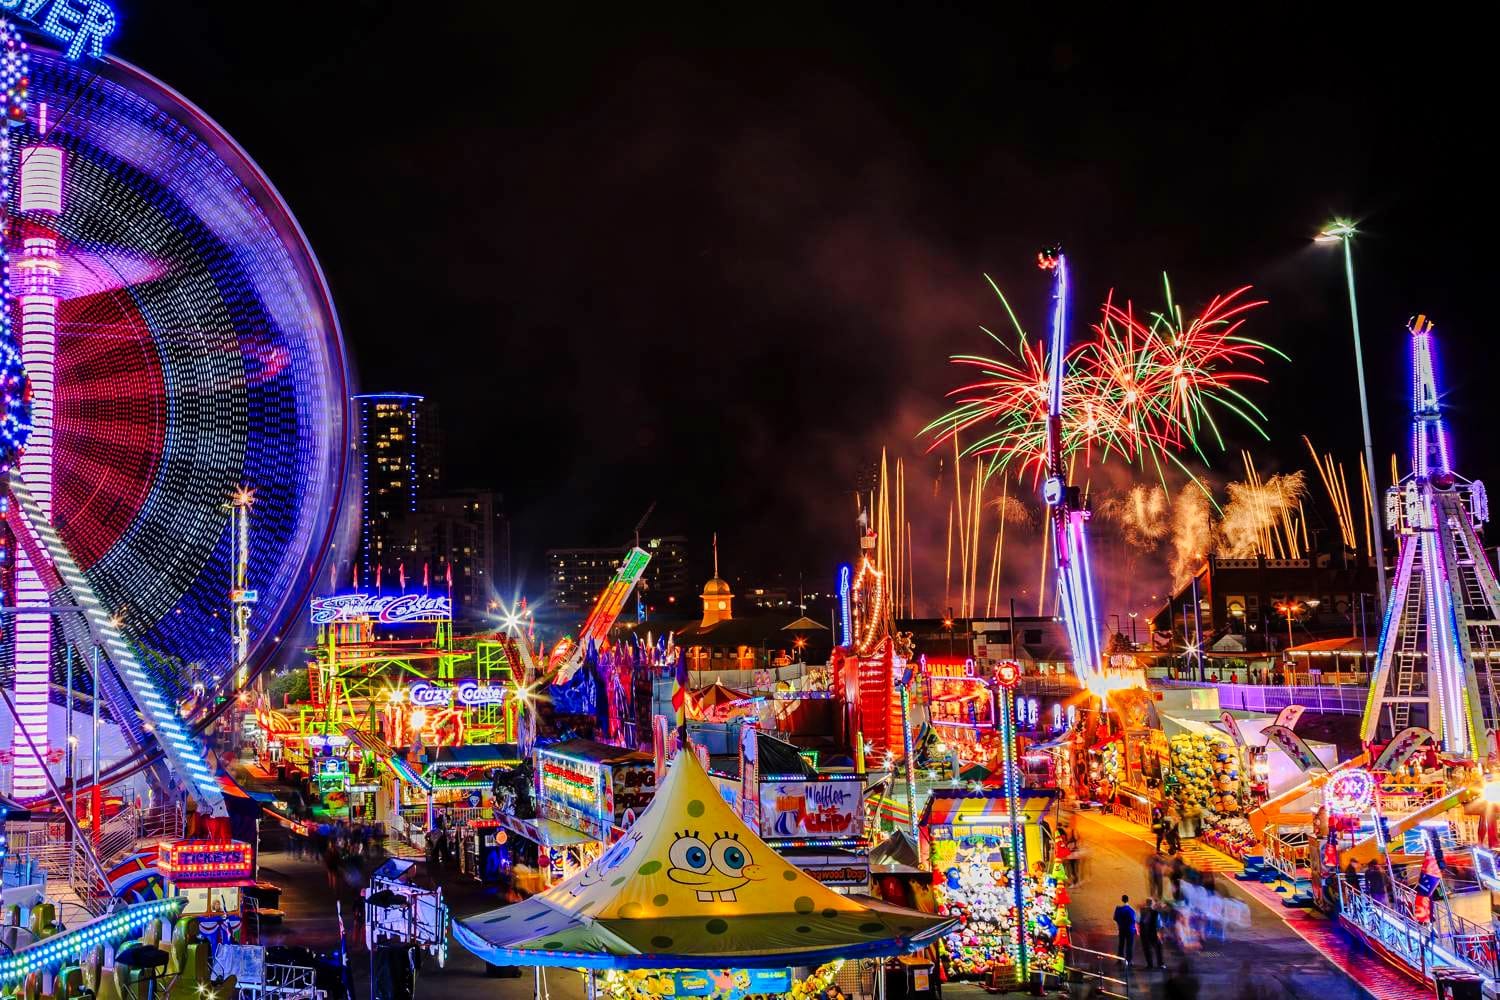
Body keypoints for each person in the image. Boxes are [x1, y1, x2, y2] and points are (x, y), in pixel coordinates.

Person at [1113, 894, 1137, 967]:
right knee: (1129, 945)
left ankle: (1119, 960)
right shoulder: (1131, 910)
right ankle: (1129, 961)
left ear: (1122, 899)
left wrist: (1120, 924)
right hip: (1129, 929)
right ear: (1128, 900)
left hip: (1122, 929)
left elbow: (1115, 918)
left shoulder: (1118, 909)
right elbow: (1133, 920)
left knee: (1121, 944)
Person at [1140, 897, 1164, 969]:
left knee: (1147, 949)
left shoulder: (1142, 912)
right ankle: (1160, 964)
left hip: (1144, 934)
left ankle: (1149, 964)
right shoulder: (1156, 913)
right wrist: (1160, 935)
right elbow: (1159, 925)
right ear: (1153, 904)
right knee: (1158, 948)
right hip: (1154, 933)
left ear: (1146, 903)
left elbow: (1139, 921)